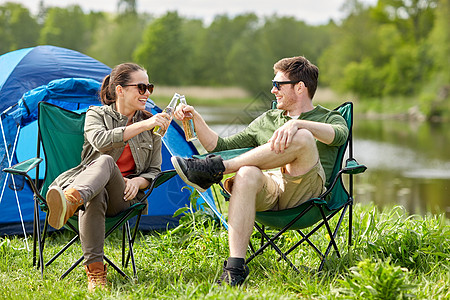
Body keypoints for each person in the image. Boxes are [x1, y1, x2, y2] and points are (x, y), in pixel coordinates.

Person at [171, 56, 349, 286]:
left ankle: (216, 168)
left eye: (278, 85)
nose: (272, 90)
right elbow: (221, 147)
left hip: (307, 194)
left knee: (302, 137)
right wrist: (195, 119)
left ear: (300, 87)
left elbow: (340, 135)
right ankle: (235, 270)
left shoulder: (328, 117)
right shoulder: (267, 119)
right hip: (270, 191)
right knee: (245, 173)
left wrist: (298, 124)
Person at [45, 63, 171, 291]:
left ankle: (70, 200)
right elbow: (102, 141)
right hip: (94, 191)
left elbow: (154, 170)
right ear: (120, 90)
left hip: (123, 197)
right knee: (99, 181)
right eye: (141, 87)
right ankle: (96, 276)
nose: (148, 93)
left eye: (149, 87)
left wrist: (137, 181)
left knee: (106, 163)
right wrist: (145, 124)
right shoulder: (96, 114)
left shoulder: (153, 125)